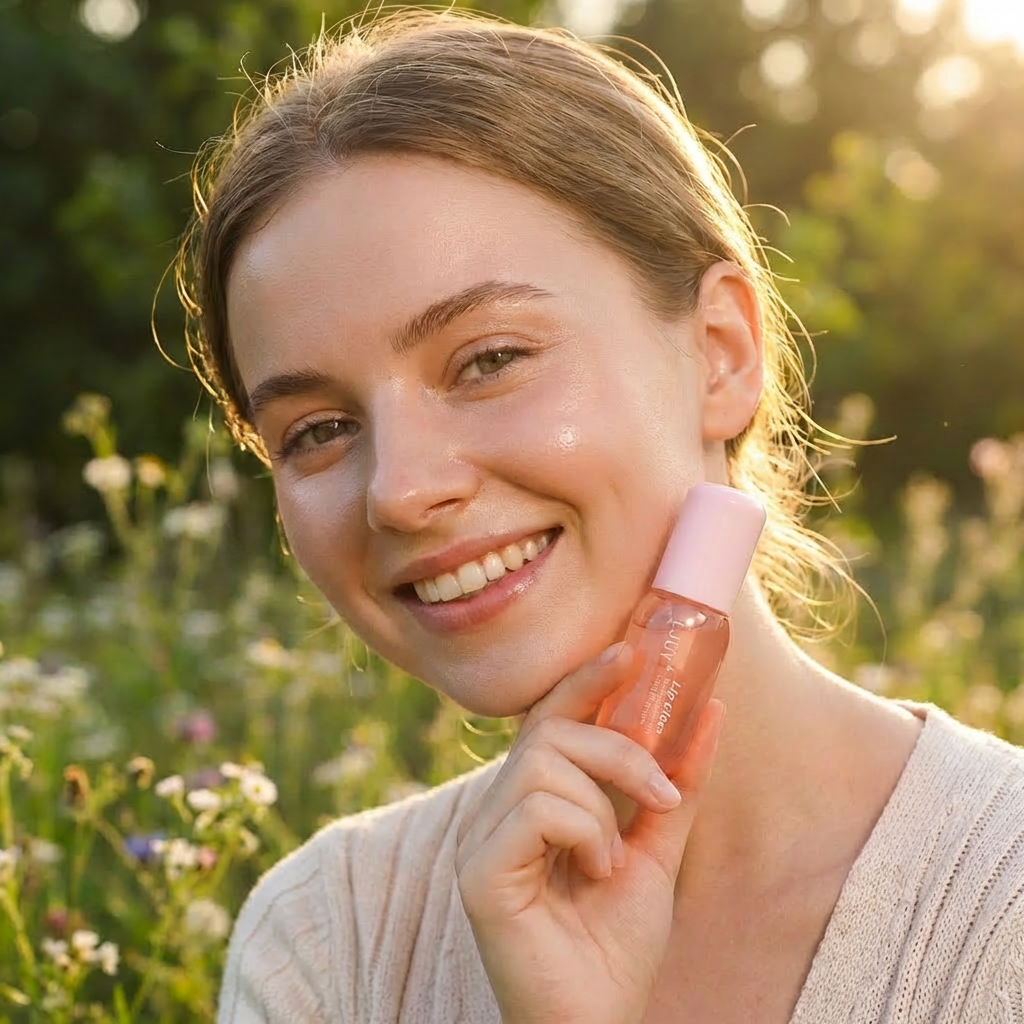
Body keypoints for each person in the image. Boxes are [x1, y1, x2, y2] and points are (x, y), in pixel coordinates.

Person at [176, 8, 1024, 1023]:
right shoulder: (327, 943)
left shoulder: (997, 904)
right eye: (315, 430)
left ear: (718, 350)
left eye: (488, 360)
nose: (398, 489)